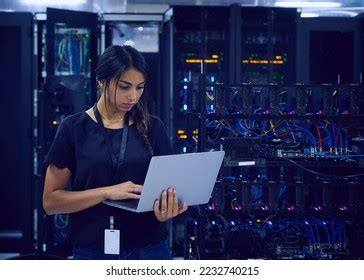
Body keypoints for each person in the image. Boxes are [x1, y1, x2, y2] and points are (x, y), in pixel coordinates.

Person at [43, 45, 188, 260]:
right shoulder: (73, 128)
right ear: (101, 81)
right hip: (93, 251)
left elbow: (168, 190)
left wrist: (167, 208)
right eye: (124, 87)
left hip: (150, 249)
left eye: (139, 87)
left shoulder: (153, 127)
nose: (133, 96)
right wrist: (107, 192)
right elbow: (51, 202)